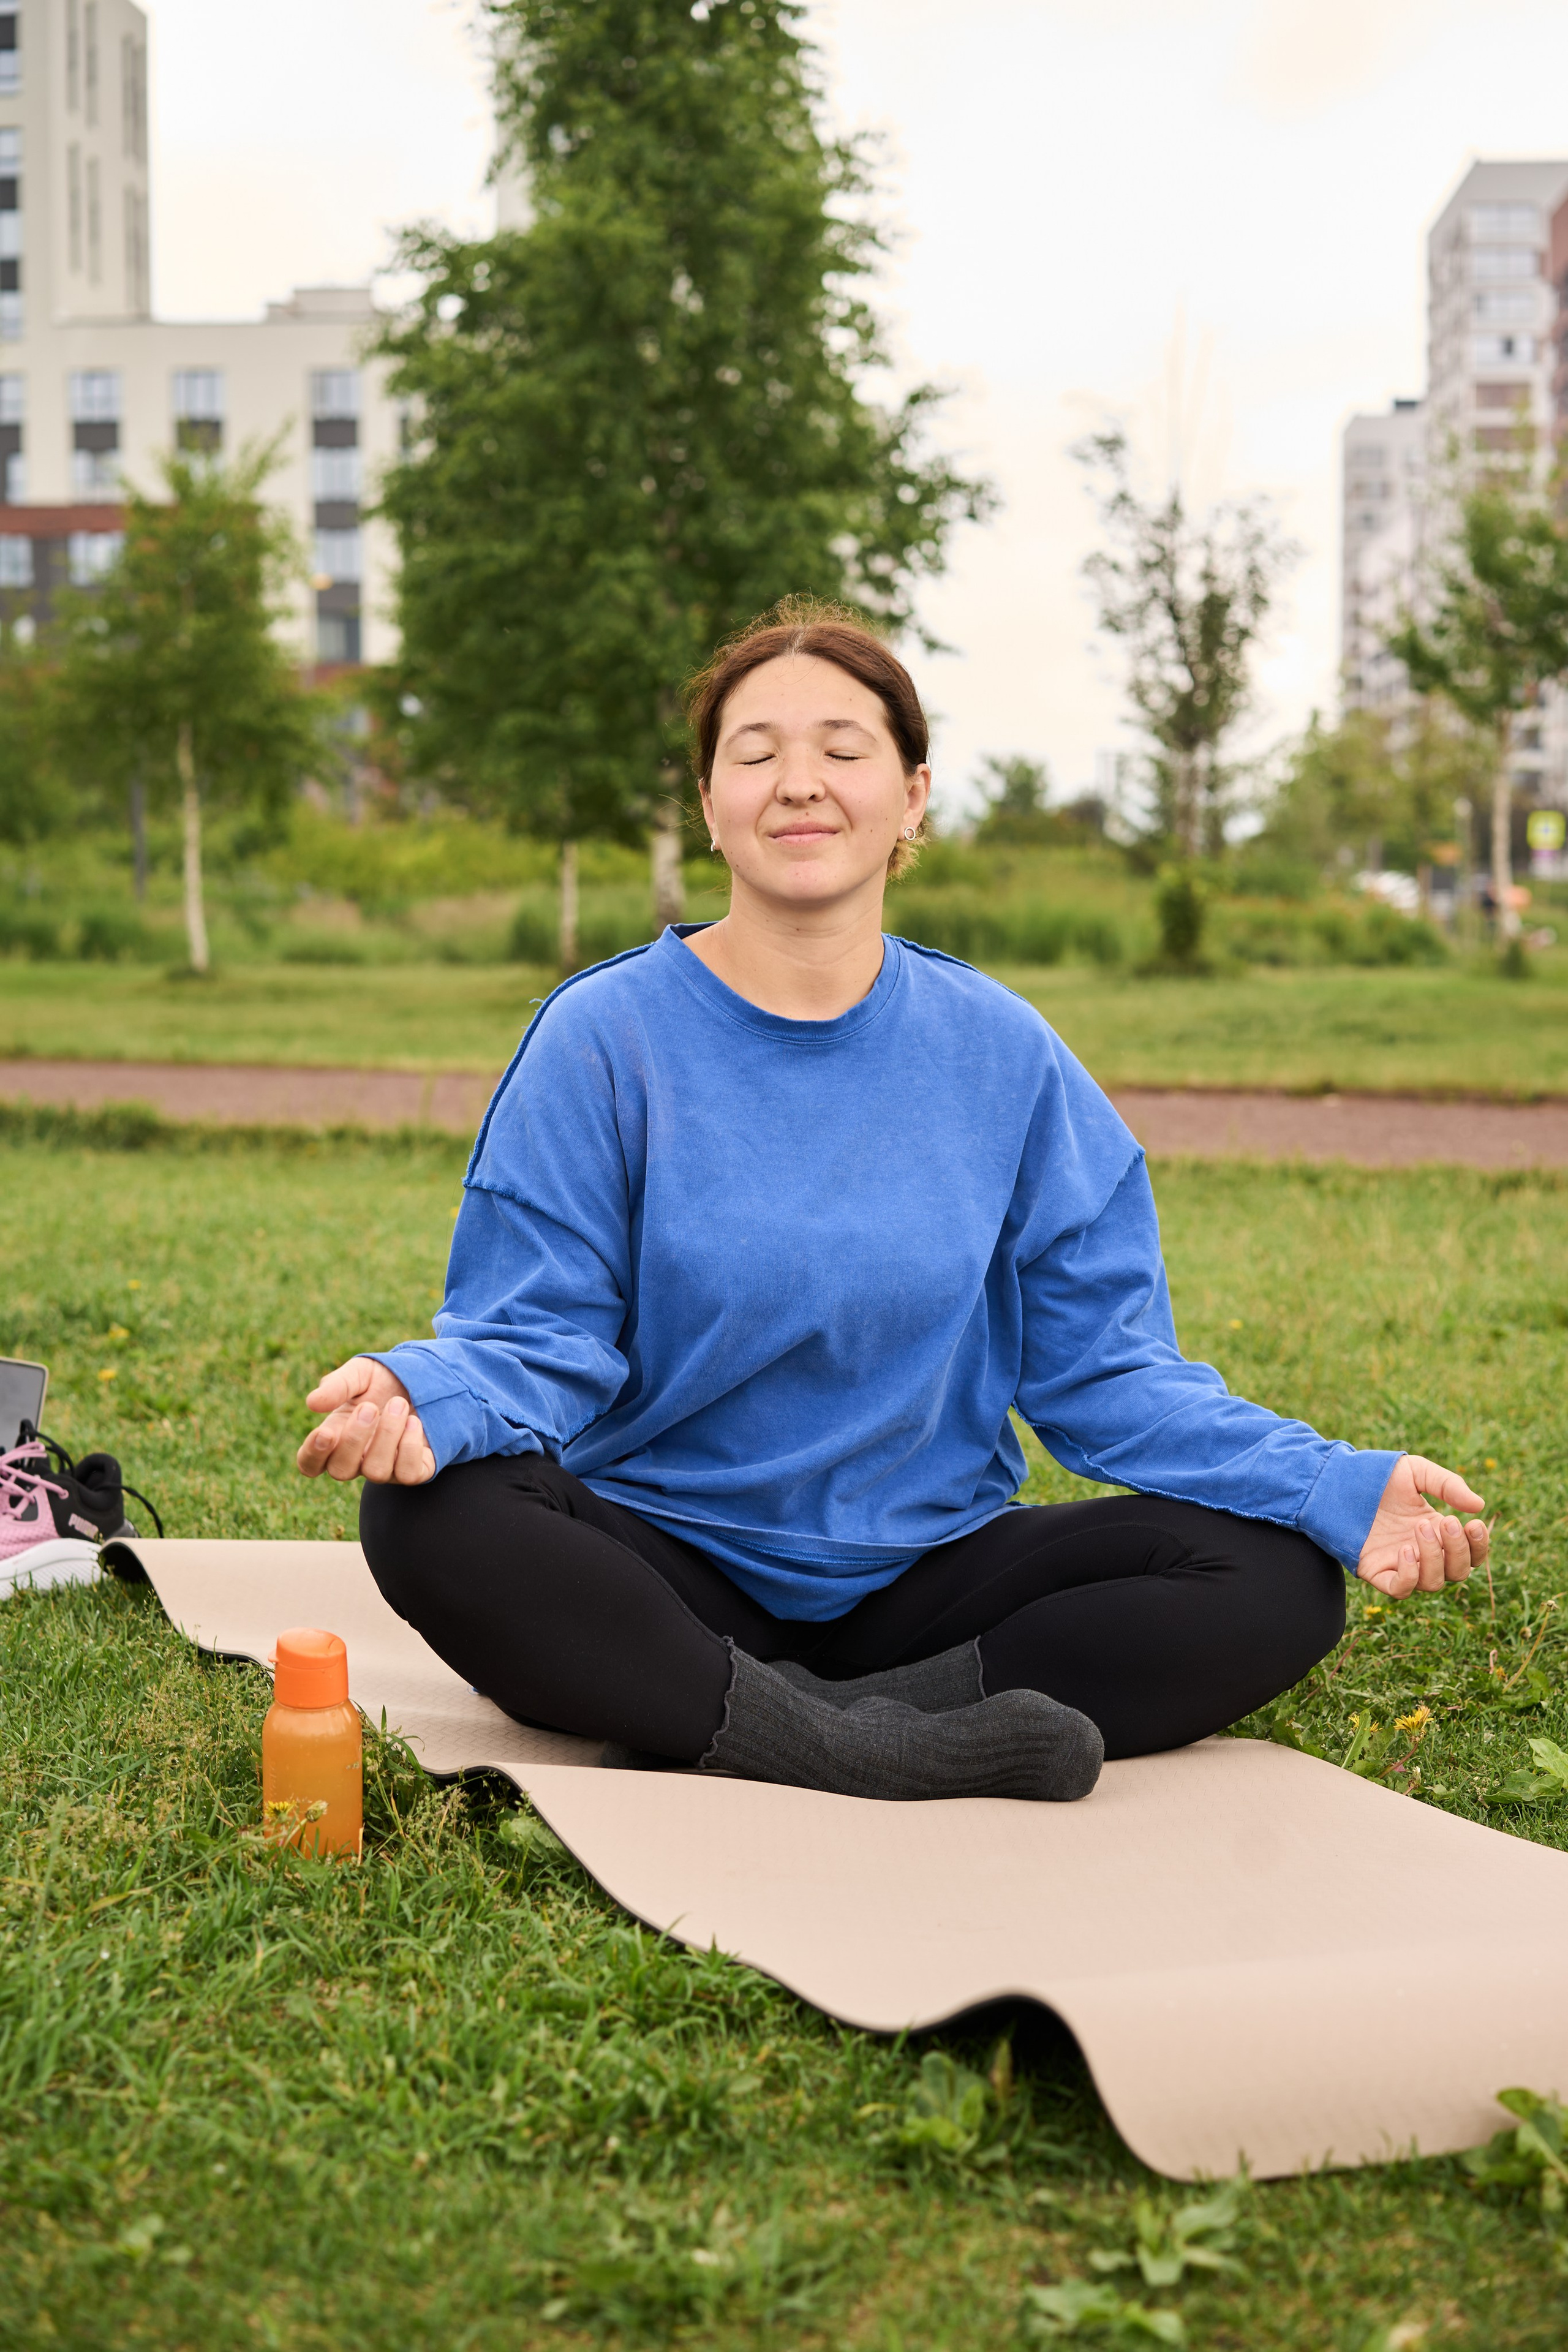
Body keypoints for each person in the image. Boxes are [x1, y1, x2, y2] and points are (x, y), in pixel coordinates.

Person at [296, 603, 1488, 1805]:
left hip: (926, 1582)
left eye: (842, 750)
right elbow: (533, 1334)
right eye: (753, 755)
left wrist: (1333, 1482)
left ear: (912, 796)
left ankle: (769, 1715)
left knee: (1274, 1575)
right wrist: (425, 1392)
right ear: (709, 807)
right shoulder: (602, 1037)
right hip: (660, 1563)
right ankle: (841, 1743)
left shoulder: (1003, 1054)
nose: (797, 783)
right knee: (426, 1517)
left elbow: (1106, 1378)